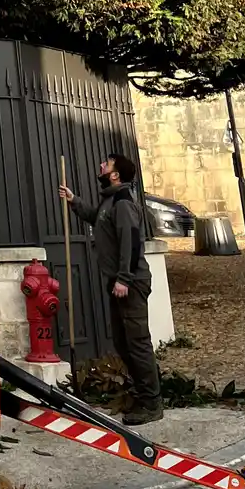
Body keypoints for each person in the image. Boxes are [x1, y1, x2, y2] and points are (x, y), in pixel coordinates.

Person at [58, 151, 163, 424]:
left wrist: (124, 279)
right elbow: (97, 219)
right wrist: (74, 201)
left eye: (107, 164)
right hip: (118, 282)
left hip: (131, 283)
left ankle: (152, 403)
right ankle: (142, 394)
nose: (101, 165)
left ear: (115, 174)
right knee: (122, 341)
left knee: (137, 343)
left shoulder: (123, 202)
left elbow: (130, 241)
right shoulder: (109, 202)